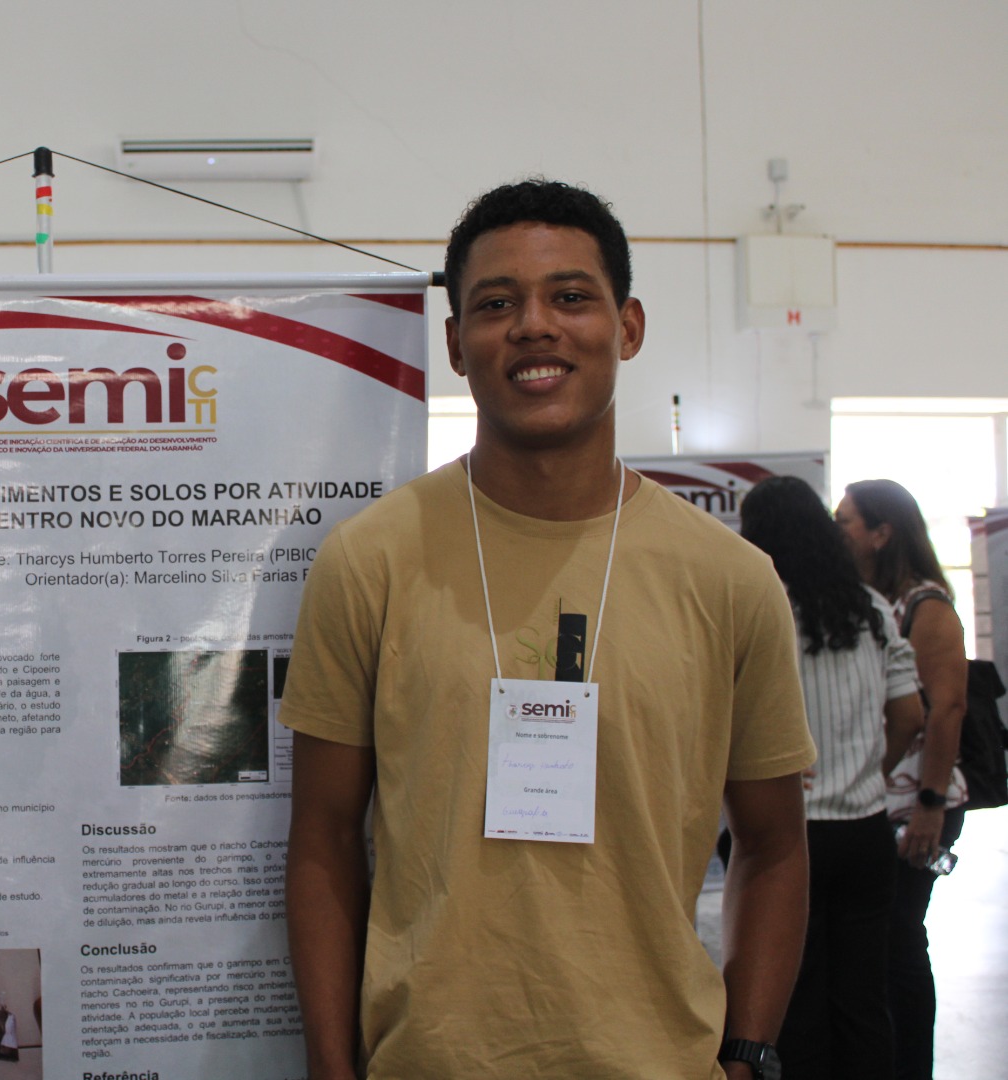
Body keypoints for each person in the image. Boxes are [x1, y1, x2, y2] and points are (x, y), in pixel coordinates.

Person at [280, 179, 816, 1080]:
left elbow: (774, 845)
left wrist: (749, 1051)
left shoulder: (730, 579)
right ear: (456, 344)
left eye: (570, 296)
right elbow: (324, 842)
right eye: (497, 304)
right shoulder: (371, 560)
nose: (534, 326)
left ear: (627, 327)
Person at [740, 476, 927, 1078]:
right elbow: (910, 714)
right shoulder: (872, 609)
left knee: (798, 997)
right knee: (864, 997)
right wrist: (870, 770)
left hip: (788, 835)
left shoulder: (764, 608)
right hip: (867, 829)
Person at [836, 479, 969, 1080]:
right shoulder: (868, 601)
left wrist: (930, 807)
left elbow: (947, 710)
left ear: (881, 533)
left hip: (918, 799)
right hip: (879, 796)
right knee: (881, 944)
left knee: (901, 942)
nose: (838, 530)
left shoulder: (926, 605)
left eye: (846, 520)